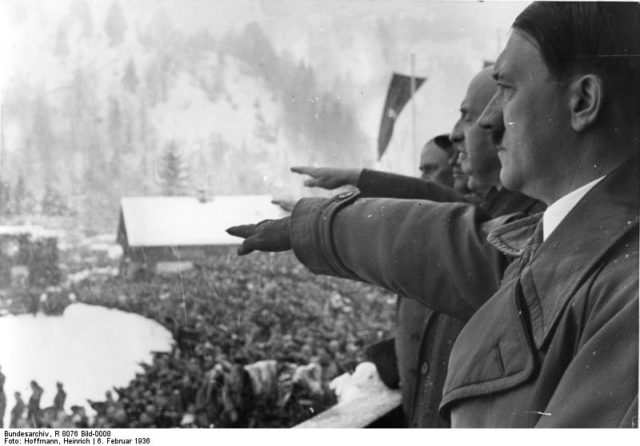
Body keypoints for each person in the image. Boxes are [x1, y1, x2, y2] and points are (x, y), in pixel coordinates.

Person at [227, 2, 638, 427]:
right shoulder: (559, 242)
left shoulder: (625, 291)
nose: (488, 120)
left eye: (507, 88)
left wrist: (321, 221)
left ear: (583, 101)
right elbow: (442, 232)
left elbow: (447, 227)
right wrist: (316, 225)